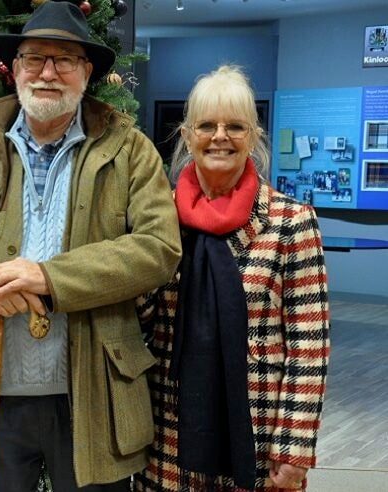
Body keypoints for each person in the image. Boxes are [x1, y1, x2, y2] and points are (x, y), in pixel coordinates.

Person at [0, 2, 182, 491]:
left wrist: (49, 279)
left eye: (65, 60)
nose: (48, 73)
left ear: (86, 73)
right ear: (14, 69)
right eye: (34, 59)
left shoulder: (129, 150)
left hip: (93, 393)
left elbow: (159, 247)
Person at [133, 65, 330, 492]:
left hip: (258, 439)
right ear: (187, 136)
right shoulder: (157, 219)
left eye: (235, 126)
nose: (220, 136)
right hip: (169, 430)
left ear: (253, 137)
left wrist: (293, 451)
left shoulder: (291, 223)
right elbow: (138, 321)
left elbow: (308, 347)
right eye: (206, 125)